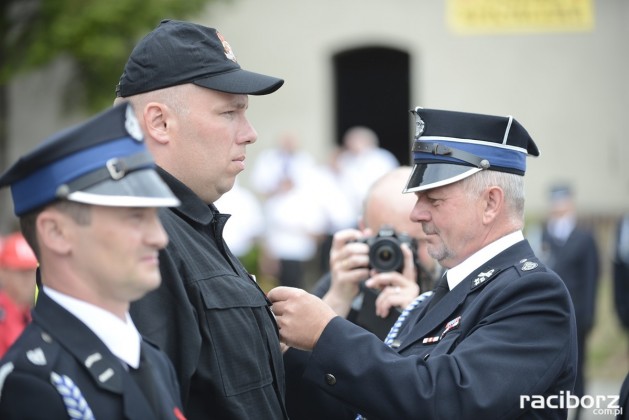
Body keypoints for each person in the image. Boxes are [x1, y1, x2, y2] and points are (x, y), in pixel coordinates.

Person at [269, 107, 577, 419]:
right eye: (418, 199)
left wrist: (327, 334)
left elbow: (449, 401)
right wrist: (290, 349)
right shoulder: (449, 290)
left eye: (434, 199)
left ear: (490, 203)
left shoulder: (533, 294)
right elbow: (379, 400)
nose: (416, 214)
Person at [114, 19, 287, 419]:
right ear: (160, 122)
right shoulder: (138, 237)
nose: (250, 133)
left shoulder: (189, 223)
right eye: (229, 112)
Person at [0, 103, 185, 419]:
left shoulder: (152, 360)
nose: (159, 238)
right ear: (56, 232)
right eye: (135, 217)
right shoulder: (31, 384)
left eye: (155, 217)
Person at [310, 166, 440, 334]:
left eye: (415, 242)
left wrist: (416, 317)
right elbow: (298, 349)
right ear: (363, 230)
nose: (404, 254)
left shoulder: (451, 285)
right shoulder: (346, 281)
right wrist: (338, 300)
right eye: (388, 242)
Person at [537, 184, 599, 420]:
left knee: (577, 364)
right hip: (549, 313)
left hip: (577, 313)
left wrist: (589, 314)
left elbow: (591, 278)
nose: (558, 206)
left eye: (562, 200)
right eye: (554, 201)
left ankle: (579, 410)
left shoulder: (584, 237)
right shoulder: (544, 233)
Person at [0, 231, 38, 357]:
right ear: (3, 272)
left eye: (31, 272)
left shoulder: (35, 317)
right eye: (22, 272)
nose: (28, 280)